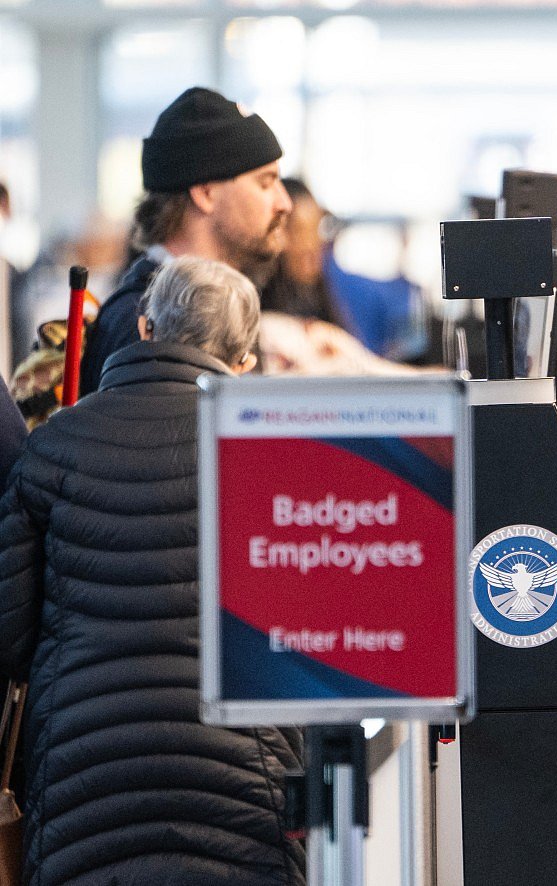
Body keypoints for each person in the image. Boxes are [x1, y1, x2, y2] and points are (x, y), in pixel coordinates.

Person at [0, 257, 305, 885]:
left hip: (83, 771)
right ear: (244, 363)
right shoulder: (274, 457)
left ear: (142, 328)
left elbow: (10, 639)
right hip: (241, 774)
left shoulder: (53, 446)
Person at [78, 86, 292, 395]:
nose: (284, 202)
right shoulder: (142, 322)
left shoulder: (216, 306)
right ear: (206, 193)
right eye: (265, 183)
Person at [258, 178, 345, 327]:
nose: (311, 245)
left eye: (316, 230)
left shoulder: (322, 293)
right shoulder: (258, 312)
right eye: (299, 232)